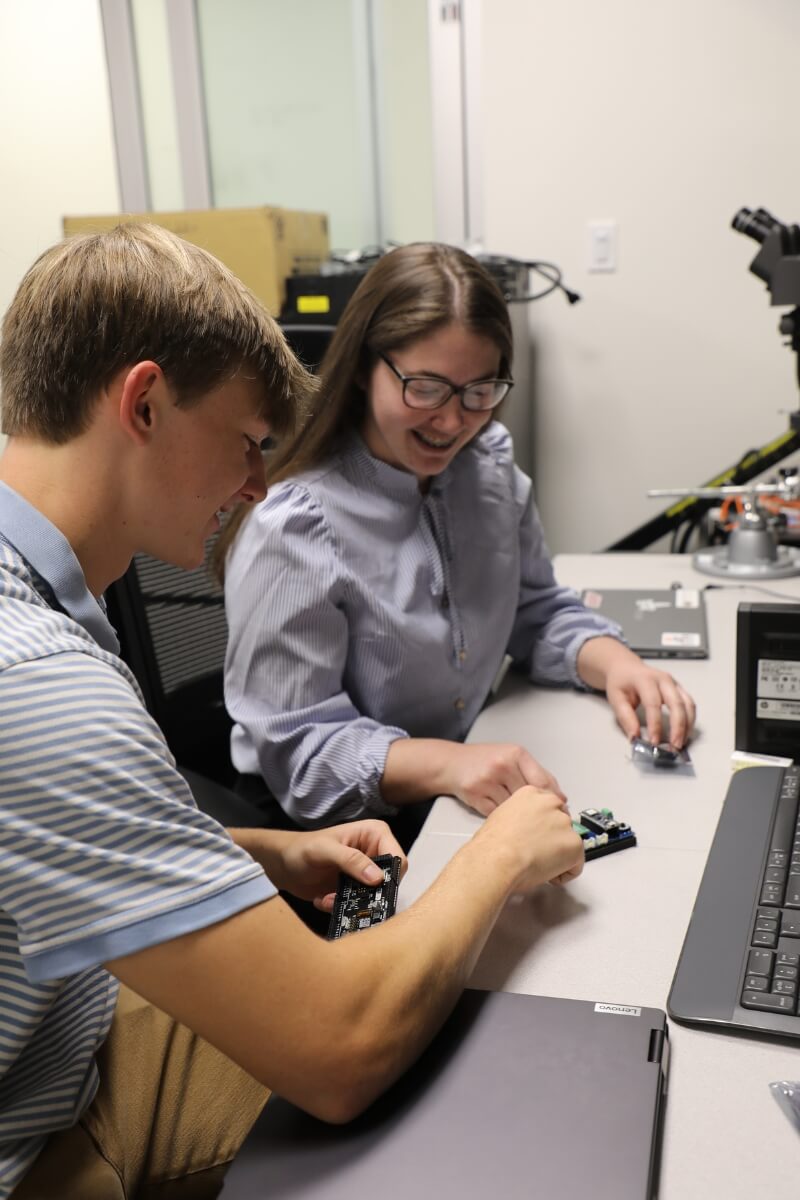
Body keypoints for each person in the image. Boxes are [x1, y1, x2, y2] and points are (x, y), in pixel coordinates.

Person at [0, 223, 585, 1200]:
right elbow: (337, 1052)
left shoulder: (41, 600)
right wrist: (499, 855)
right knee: (472, 1109)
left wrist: (258, 855)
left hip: (74, 1010)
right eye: (247, 443)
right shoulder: (43, 685)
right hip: (44, 1131)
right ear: (143, 404)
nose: (260, 485)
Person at [218, 242, 696, 832]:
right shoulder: (295, 528)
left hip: (458, 778)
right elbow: (305, 754)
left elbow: (535, 608)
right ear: (366, 370)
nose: (452, 421)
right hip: (334, 826)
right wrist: (452, 765)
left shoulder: (487, 469)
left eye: (479, 391)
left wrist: (621, 666)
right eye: (425, 387)